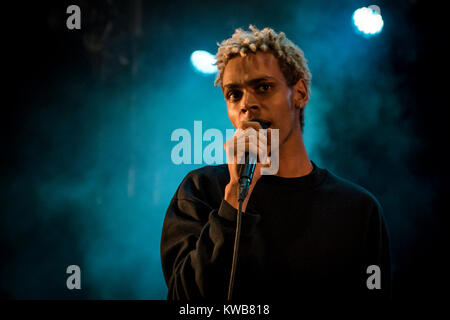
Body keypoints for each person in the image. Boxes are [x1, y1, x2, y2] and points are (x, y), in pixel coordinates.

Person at [160, 25, 391, 301]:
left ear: (301, 94)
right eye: (234, 94)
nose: (247, 104)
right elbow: (186, 301)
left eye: (264, 87)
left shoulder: (359, 209)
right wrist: (234, 199)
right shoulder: (200, 191)